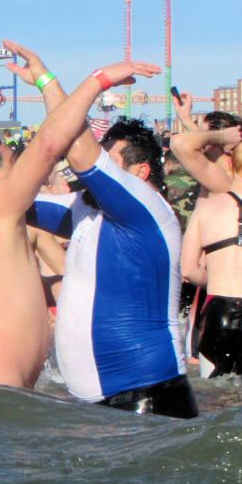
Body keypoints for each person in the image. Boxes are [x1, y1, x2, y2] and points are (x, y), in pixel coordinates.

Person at [0, 41, 161, 390]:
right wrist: (98, 80)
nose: (21, 171)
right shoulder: (2, 209)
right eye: (12, 161)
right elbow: (48, 143)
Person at [13, 46, 193, 417]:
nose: (97, 167)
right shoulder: (88, 211)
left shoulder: (146, 209)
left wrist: (84, 82)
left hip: (147, 397)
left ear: (141, 172)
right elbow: (12, 201)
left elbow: (77, 150)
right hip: (99, 406)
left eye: (110, 159)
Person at [180, 137, 242, 383]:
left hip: (216, 312)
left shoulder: (206, 209)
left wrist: (215, 276)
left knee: (215, 397)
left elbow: (188, 269)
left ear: (232, 165)